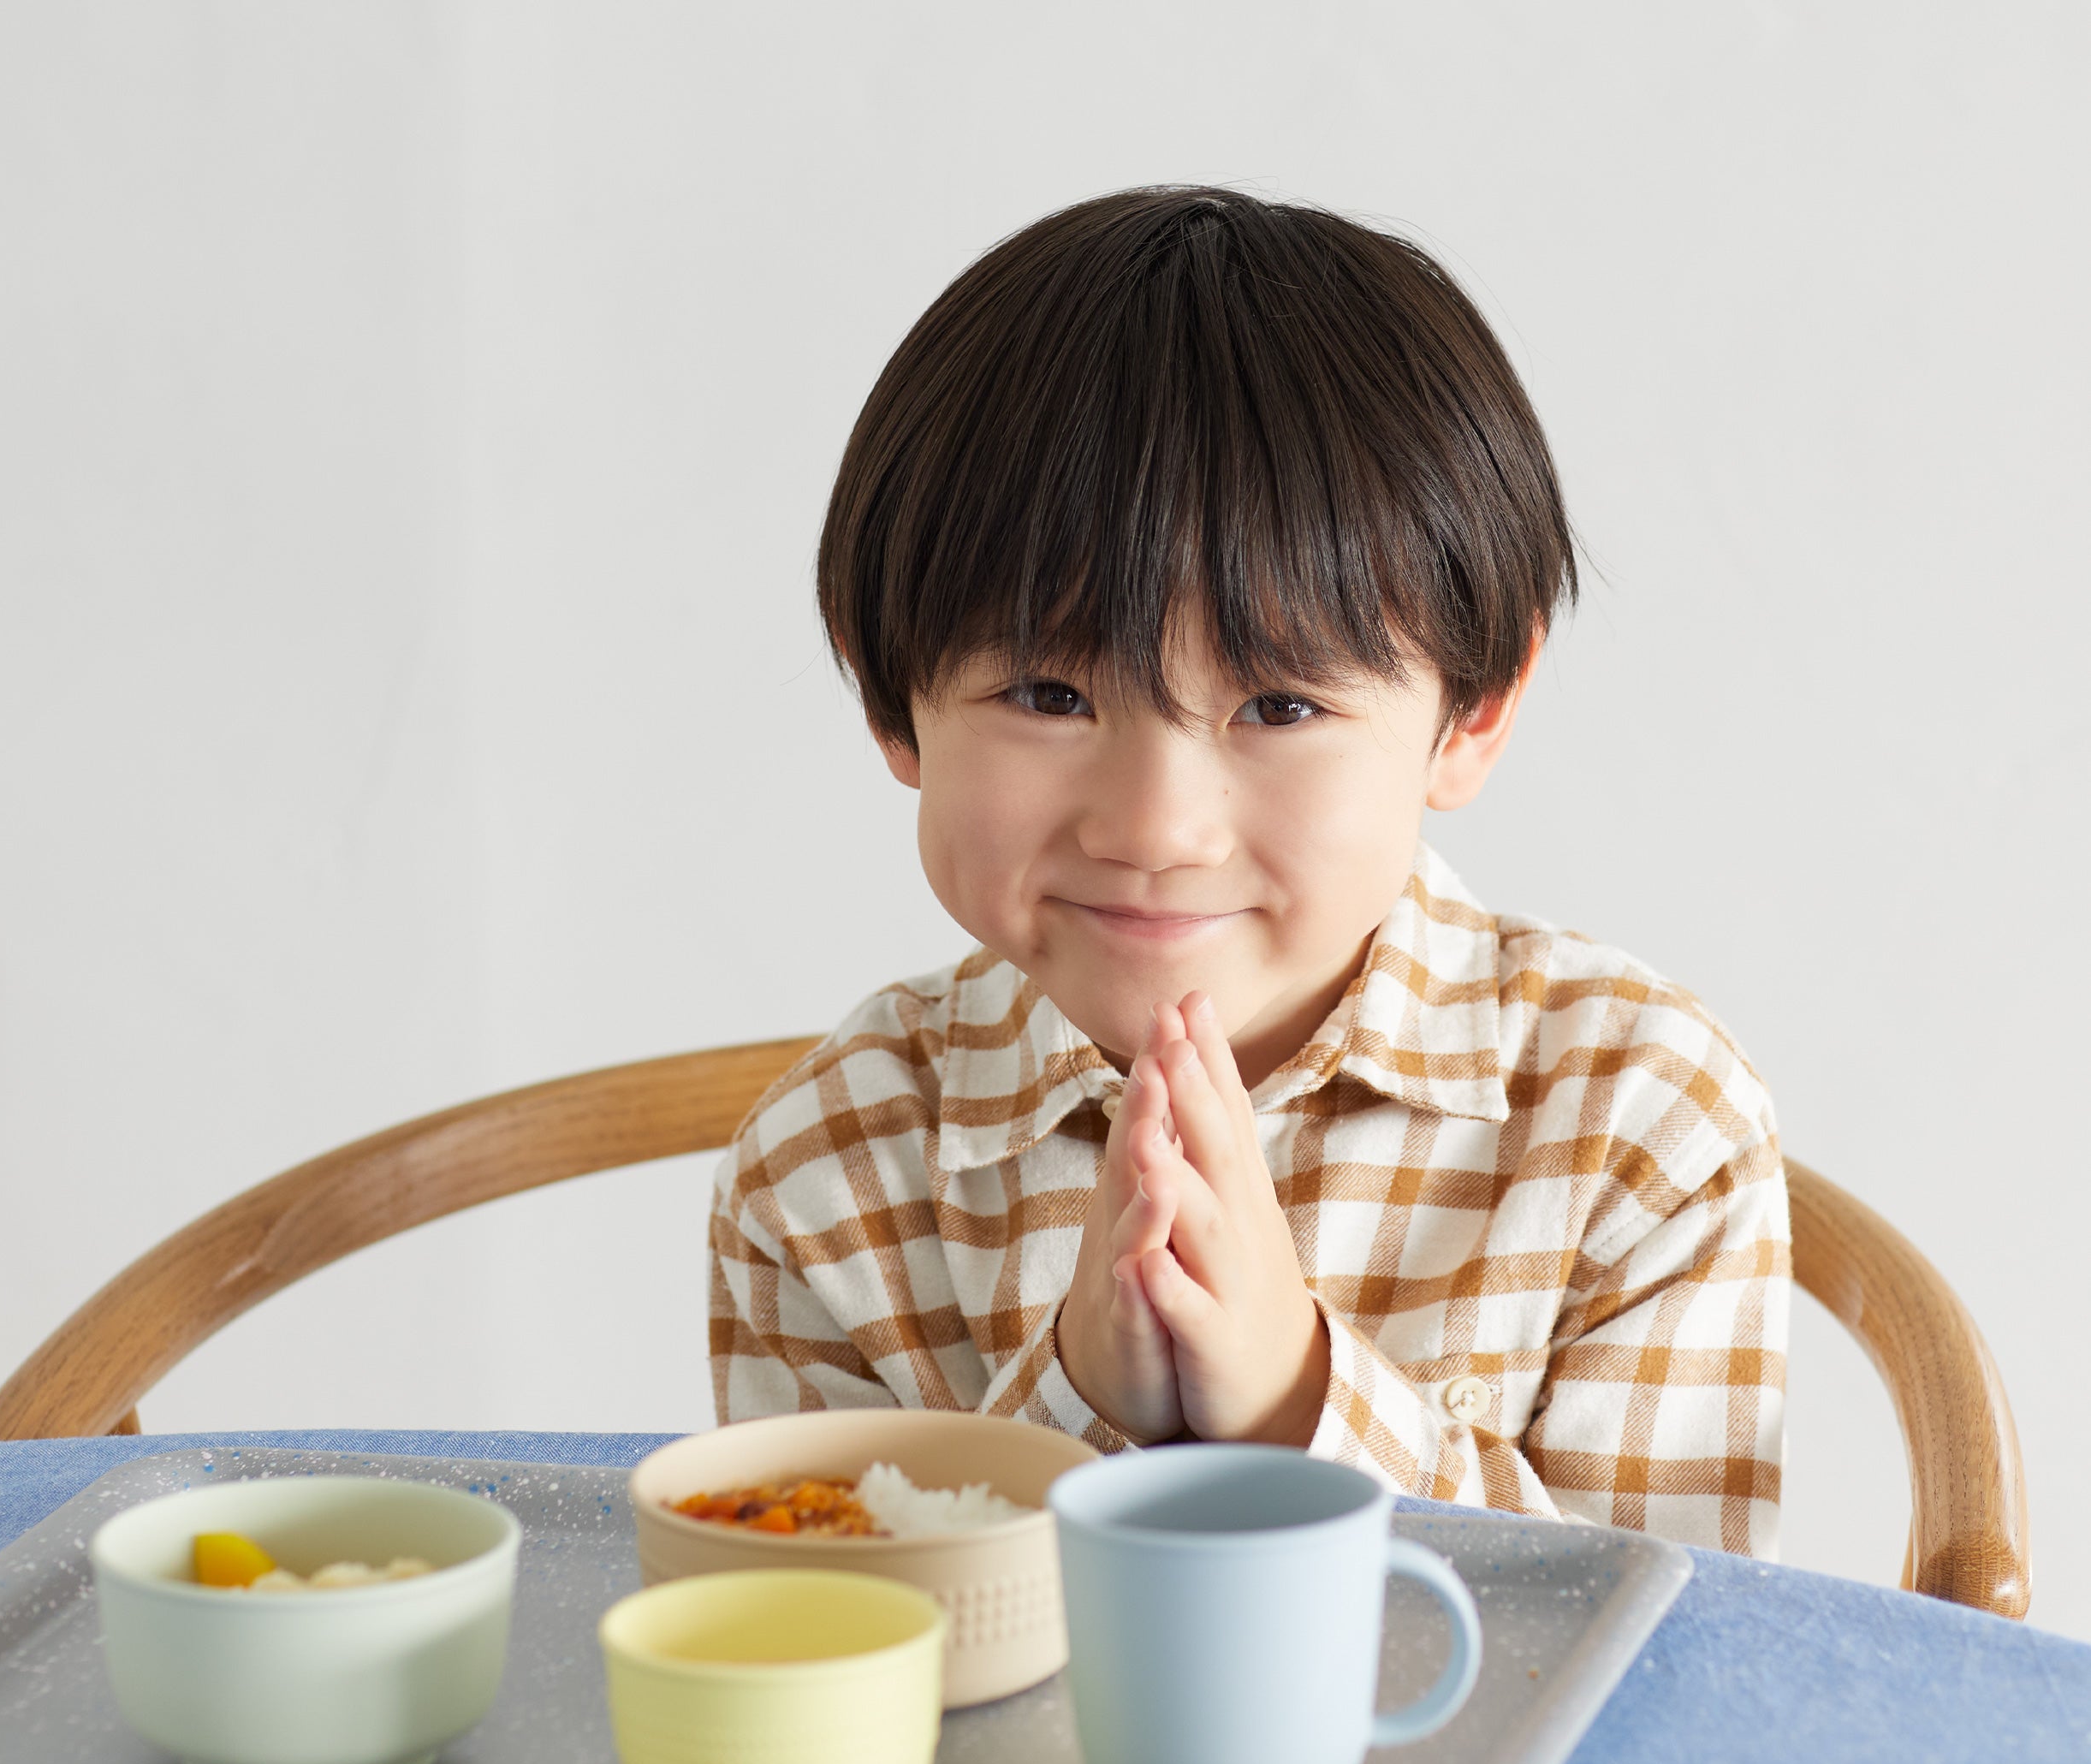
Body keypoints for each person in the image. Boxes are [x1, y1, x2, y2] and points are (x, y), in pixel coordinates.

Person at [709, 187, 1787, 1553]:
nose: (1156, 828)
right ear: (888, 698)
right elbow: (830, 1673)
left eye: (1278, 707)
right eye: (1048, 694)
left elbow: (1680, 1667)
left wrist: (1295, 1397)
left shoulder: (1636, 1118)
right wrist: (1087, 1400)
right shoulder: (827, 1168)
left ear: (1474, 712)